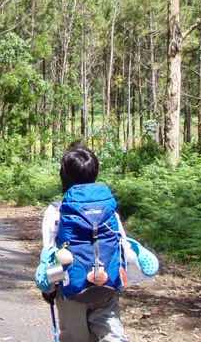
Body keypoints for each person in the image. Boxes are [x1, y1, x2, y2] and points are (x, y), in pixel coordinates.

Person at [38, 145, 129, 342]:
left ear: (63, 175)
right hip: (107, 285)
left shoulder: (56, 211)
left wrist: (49, 289)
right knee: (110, 333)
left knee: (74, 337)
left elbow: (51, 253)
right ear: (95, 173)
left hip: (70, 288)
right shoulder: (109, 208)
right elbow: (121, 243)